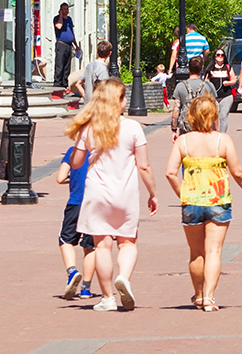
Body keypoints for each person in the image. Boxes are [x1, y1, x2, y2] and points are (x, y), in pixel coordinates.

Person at [66, 79, 159, 312]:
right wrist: (153, 193)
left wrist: (81, 142)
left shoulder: (90, 128)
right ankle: (124, 278)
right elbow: (144, 166)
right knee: (128, 242)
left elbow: (76, 163)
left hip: (97, 193)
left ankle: (107, 297)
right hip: (125, 193)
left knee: (102, 246)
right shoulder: (133, 128)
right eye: (124, 97)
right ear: (117, 101)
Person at [164, 94, 242, 311]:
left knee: (196, 252)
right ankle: (209, 297)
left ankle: (198, 295)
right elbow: (237, 171)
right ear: (213, 116)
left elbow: (170, 172)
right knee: (214, 251)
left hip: (192, 201)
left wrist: (183, 193)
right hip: (218, 201)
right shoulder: (222, 140)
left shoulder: (183, 142)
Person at [57, 138, 98, 301]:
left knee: (65, 240)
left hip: (75, 202)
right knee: (90, 246)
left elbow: (60, 178)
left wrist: (73, 179)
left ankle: (72, 271)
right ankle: (86, 289)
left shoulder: (72, 151)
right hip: (95, 202)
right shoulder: (102, 152)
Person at [170, 58, 215, 138]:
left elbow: (176, 111)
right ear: (201, 69)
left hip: (186, 128)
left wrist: (174, 129)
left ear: (188, 69)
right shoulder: (209, 86)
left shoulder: (180, 86)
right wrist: (216, 130)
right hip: (204, 127)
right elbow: (214, 110)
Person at [207, 49, 236, 131]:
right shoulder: (210, 68)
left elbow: (234, 80)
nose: (220, 57)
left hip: (226, 95)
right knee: (214, 116)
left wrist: (229, 83)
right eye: (218, 55)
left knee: (223, 116)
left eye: (222, 55)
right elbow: (206, 81)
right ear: (215, 56)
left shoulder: (228, 67)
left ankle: (222, 135)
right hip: (213, 96)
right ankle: (214, 134)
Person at [53, 3, 77, 87]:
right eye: (64, 9)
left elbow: (72, 32)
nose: (66, 10)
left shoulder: (69, 19)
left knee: (67, 66)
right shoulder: (57, 19)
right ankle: (57, 83)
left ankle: (64, 84)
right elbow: (59, 26)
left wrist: (76, 45)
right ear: (60, 10)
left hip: (69, 45)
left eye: (67, 9)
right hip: (61, 44)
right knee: (60, 64)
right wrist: (60, 15)